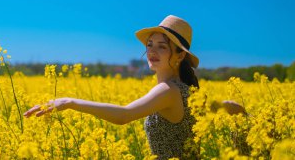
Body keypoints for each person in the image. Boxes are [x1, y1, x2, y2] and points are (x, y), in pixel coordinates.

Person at [23, 15, 244, 159]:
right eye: (150, 45)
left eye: (162, 47)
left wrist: (69, 102)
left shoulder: (167, 91)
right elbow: (229, 106)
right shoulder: (190, 93)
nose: (152, 52)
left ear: (179, 55)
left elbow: (124, 115)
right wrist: (246, 122)